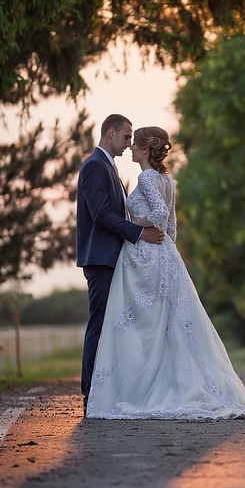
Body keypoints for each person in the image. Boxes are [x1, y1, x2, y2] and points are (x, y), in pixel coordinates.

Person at [86, 126, 245, 420]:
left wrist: (139, 227)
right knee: (167, 324)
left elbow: (160, 217)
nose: (131, 148)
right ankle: (163, 383)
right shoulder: (167, 180)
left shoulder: (147, 177)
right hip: (167, 254)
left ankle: (141, 388)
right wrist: (166, 249)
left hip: (146, 253)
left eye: (135, 144)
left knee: (143, 325)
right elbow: (172, 227)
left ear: (146, 149)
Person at [76, 114, 164, 414]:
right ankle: (90, 395)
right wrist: (139, 233)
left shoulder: (108, 167)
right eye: (126, 137)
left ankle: (112, 391)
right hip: (101, 259)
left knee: (113, 326)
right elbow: (100, 215)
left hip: (116, 258)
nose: (129, 144)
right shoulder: (94, 166)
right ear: (110, 133)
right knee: (99, 325)